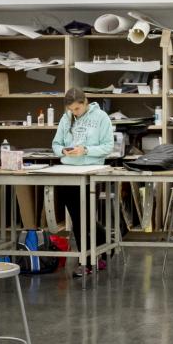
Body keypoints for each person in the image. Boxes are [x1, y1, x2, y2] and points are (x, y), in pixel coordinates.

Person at [51, 87, 114, 277]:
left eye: (77, 109)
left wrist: (85, 150)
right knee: (78, 219)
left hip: (90, 171)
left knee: (83, 218)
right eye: (71, 110)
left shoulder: (101, 117)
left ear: (85, 102)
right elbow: (55, 144)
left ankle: (88, 260)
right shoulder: (66, 118)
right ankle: (96, 253)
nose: (74, 113)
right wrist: (63, 151)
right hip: (68, 171)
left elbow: (108, 147)